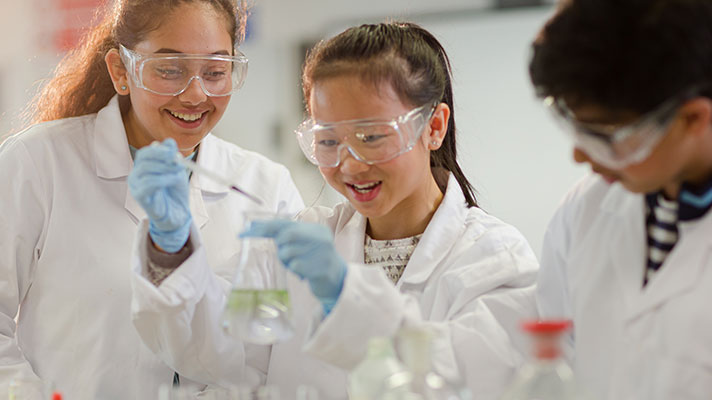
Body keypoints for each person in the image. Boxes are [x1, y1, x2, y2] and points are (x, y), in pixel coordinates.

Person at [129, 21, 539, 399]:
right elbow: (216, 353)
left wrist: (346, 296)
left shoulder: (495, 261)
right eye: (327, 141)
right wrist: (171, 243)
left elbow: (470, 381)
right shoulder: (300, 246)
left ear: (433, 127)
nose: (351, 164)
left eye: (372, 136)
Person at [0, 0, 304, 398]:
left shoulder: (266, 187)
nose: (196, 95)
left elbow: (276, 351)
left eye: (215, 71)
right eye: (169, 70)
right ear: (121, 71)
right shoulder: (39, 164)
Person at [530, 0, 712, 398]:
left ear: (694, 119)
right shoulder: (584, 211)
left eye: (607, 135)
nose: (579, 155)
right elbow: (558, 361)